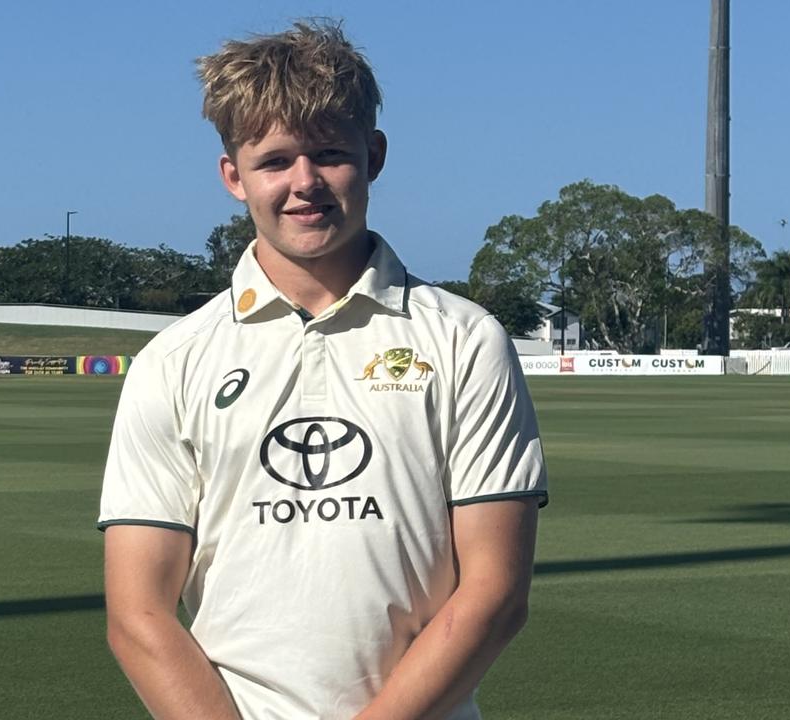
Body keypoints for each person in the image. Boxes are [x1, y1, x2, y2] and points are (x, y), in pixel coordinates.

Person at [98, 21, 547, 720]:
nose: (304, 184)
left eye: (330, 154)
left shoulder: (465, 340)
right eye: (275, 161)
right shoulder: (174, 361)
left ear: (374, 155)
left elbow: (495, 594)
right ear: (232, 176)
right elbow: (137, 613)